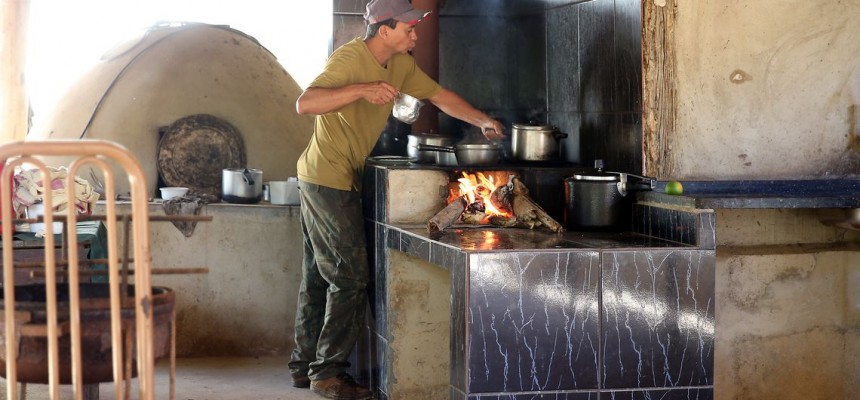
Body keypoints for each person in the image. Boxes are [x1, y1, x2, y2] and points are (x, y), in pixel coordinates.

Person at [289, 0, 504, 398]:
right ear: (384, 30)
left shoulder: (401, 64)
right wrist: (362, 89)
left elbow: (441, 97)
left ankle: (305, 367)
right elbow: (306, 103)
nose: (416, 35)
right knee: (350, 277)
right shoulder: (351, 57)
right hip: (325, 177)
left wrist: (484, 120)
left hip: (337, 176)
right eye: (408, 29)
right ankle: (328, 374)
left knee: (321, 275)